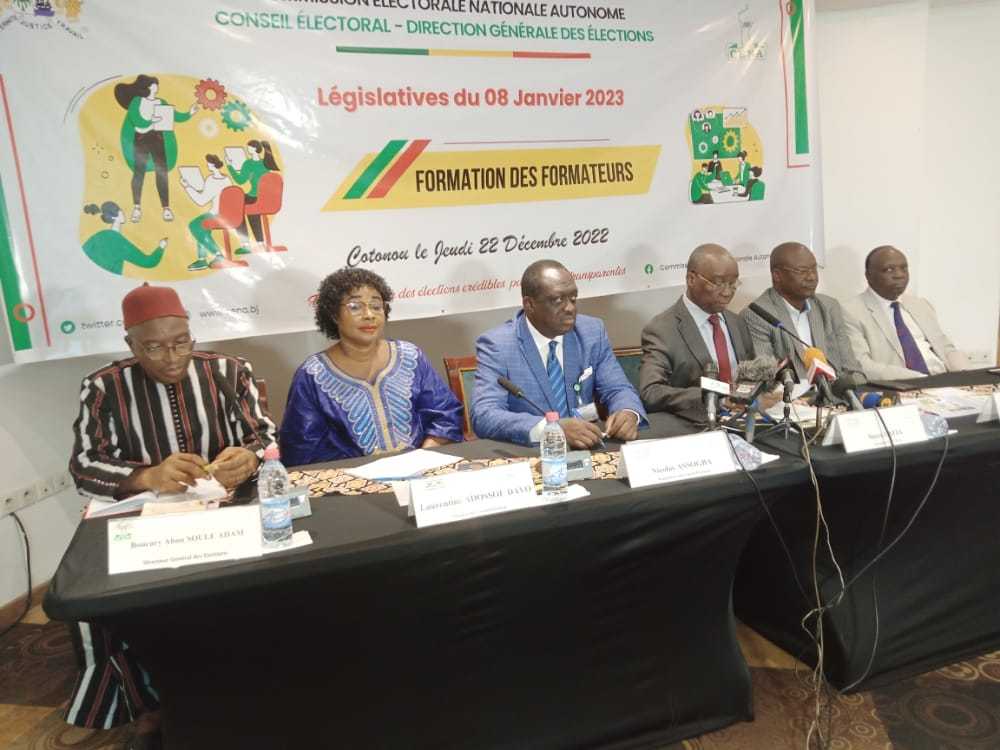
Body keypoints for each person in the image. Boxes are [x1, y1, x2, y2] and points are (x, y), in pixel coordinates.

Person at [66, 283, 276, 750]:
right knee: (97, 594)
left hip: (225, 507)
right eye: (154, 347)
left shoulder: (228, 370)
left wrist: (250, 457)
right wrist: (148, 477)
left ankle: (254, 682)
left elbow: (264, 435)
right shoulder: (104, 386)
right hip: (144, 517)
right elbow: (83, 465)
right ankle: (147, 704)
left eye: (181, 342)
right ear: (130, 344)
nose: (171, 357)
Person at [280, 268, 463, 465]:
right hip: (349, 480)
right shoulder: (313, 374)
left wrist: (422, 459)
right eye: (355, 307)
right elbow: (301, 450)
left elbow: (446, 417)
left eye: (376, 306)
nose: (369, 315)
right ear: (333, 314)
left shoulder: (411, 356)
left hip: (422, 471)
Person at [472, 260, 646, 448]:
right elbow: (484, 414)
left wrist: (628, 412)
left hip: (589, 448)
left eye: (573, 298)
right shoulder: (499, 345)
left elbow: (618, 388)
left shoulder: (592, 332)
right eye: (557, 300)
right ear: (529, 304)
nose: (570, 308)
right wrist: (551, 429)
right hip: (534, 454)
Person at [640, 244, 755, 422]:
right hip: (697, 425)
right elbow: (651, 392)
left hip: (745, 422)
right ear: (691, 279)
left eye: (733, 284)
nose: (727, 292)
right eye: (718, 283)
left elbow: (751, 376)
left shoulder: (737, 322)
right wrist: (714, 398)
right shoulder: (661, 329)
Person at [842, 245, 969, 380]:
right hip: (902, 385)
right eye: (889, 269)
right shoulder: (850, 311)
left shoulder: (921, 305)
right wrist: (921, 380)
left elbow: (945, 348)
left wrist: (968, 375)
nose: (899, 275)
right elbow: (862, 365)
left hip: (944, 381)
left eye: (904, 268)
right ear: (869, 276)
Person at [742, 242, 862, 381]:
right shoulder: (759, 315)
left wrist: (851, 386)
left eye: (814, 269)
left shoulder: (828, 306)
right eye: (802, 271)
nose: (811, 277)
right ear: (777, 275)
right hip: (792, 393)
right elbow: (767, 377)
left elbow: (852, 368)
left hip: (836, 391)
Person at [113, 74, 198, 223]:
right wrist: (153, 120)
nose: (156, 86)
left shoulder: (161, 102)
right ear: (147, 87)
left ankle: (166, 208)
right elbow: (136, 120)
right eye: (154, 84)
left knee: (162, 173)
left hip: (158, 139)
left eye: (156, 84)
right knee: (139, 172)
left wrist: (189, 113)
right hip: (141, 139)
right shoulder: (136, 102)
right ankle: (137, 207)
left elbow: (174, 116)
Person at [82, 201, 166, 275]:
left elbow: (84, 253)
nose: (123, 212)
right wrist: (161, 247)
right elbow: (147, 262)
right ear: (115, 216)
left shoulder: (99, 235)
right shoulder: (119, 242)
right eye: (120, 210)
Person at [179, 153, 232, 271]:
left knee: (194, 225)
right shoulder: (227, 179)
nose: (207, 166)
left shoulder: (211, 180)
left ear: (212, 165)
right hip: (226, 214)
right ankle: (202, 259)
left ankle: (218, 255)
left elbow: (201, 201)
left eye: (208, 164)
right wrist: (202, 189)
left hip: (216, 214)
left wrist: (187, 187)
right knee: (201, 229)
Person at [226, 139, 279, 254]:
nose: (247, 149)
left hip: (254, 196)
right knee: (248, 207)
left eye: (249, 147)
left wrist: (230, 166)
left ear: (255, 149)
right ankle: (260, 243)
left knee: (236, 208)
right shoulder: (267, 163)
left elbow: (240, 180)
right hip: (266, 198)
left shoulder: (248, 164)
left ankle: (245, 244)